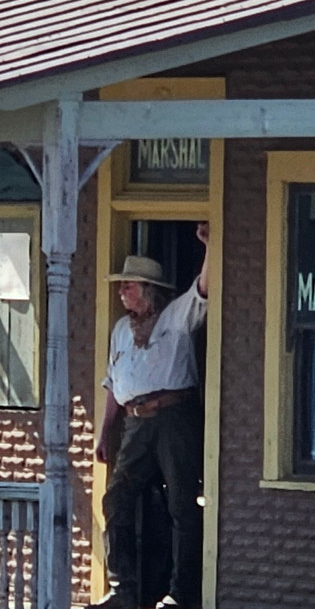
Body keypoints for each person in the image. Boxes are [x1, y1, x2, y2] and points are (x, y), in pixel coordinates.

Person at [91, 223, 210, 609]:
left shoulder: (175, 318)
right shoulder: (121, 331)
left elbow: (203, 289)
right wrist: (106, 430)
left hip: (173, 418)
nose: (122, 292)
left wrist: (210, 246)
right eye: (122, 285)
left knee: (181, 505)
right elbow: (113, 383)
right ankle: (122, 589)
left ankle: (181, 592)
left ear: (149, 291)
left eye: (130, 285)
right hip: (135, 423)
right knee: (117, 500)